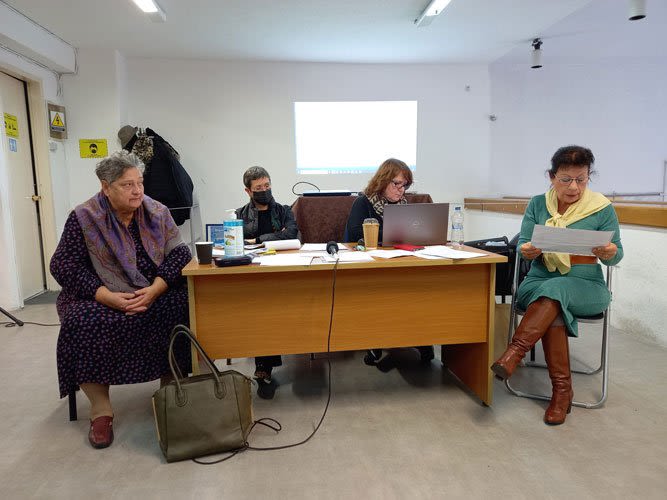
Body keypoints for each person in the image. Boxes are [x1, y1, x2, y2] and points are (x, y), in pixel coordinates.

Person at [51, 151, 191, 449]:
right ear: (106, 186)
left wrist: (156, 289)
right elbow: (63, 265)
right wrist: (106, 296)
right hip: (103, 294)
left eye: (140, 182)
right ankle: (101, 410)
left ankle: (171, 392)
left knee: (184, 305)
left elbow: (180, 254)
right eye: (128, 185)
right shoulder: (84, 217)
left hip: (153, 291)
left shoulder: (157, 211)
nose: (137, 190)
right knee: (80, 321)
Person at [491, 145, 623, 425]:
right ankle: (562, 392)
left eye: (581, 179)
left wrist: (610, 252)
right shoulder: (538, 204)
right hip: (539, 279)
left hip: (586, 284)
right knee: (552, 300)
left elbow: (617, 255)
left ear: (588, 177)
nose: (574, 187)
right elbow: (524, 245)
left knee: (555, 292)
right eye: (566, 179)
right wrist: (528, 250)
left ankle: (514, 353)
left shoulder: (602, 208)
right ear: (552, 177)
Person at [345, 158, 434, 365]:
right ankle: (376, 339)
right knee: (384, 291)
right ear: (383, 180)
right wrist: (397, 234)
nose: (401, 190)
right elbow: (357, 234)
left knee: (421, 288)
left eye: (405, 185)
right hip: (370, 265)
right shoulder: (363, 202)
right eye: (397, 184)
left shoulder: (403, 206)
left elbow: (409, 235)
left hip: (400, 262)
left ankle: (420, 337)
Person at [236, 166, 299, 394]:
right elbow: (237, 241)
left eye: (267, 185)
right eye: (259, 188)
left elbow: (291, 233)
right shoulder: (239, 215)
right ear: (248, 191)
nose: (264, 190)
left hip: (282, 271)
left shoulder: (283, 210)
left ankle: (266, 364)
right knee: (261, 309)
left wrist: (257, 240)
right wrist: (274, 237)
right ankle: (263, 367)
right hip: (253, 275)